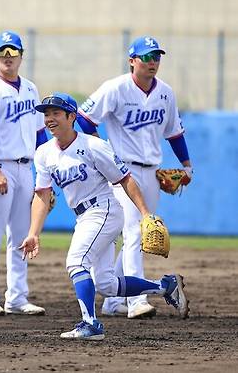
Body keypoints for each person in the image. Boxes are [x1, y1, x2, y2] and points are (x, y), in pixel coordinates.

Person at [19, 92, 189, 340]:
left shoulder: (93, 146)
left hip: (105, 209)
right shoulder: (44, 153)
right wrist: (33, 233)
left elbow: (125, 179)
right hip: (83, 216)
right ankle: (165, 287)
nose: (49, 119)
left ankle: (90, 325)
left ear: (71, 116)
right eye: (46, 114)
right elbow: (42, 194)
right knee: (107, 284)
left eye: (56, 113)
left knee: (77, 262)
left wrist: (145, 214)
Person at [76, 36, 193, 319]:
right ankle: (138, 300)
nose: (153, 62)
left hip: (152, 171)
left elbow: (174, 133)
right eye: (147, 57)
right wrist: (101, 151)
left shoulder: (165, 92)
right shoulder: (115, 88)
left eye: (157, 57)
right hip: (123, 170)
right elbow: (84, 118)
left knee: (139, 235)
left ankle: (114, 301)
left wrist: (187, 167)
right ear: (132, 61)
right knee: (133, 232)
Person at [0, 30, 48, 316]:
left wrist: (45, 172)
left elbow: (40, 134)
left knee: (21, 236)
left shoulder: (30, 88)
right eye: (2, 53)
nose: (8, 58)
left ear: (21, 56)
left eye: (13, 52)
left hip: (26, 167)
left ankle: (16, 297)